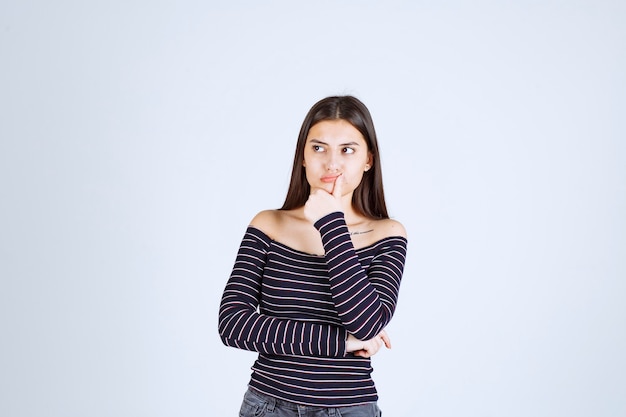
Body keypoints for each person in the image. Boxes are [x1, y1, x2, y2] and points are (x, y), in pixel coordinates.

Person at [218, 95, 408, 417]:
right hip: (269, 405)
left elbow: (365, 324)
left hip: (349, 408)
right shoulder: (268, 225)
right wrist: (339, 344)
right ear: (303, 157)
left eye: (347, 150)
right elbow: (233, 324)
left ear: (368, 160)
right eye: (319, 148)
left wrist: (330, 223)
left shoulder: (387, 234)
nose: (332, 164)